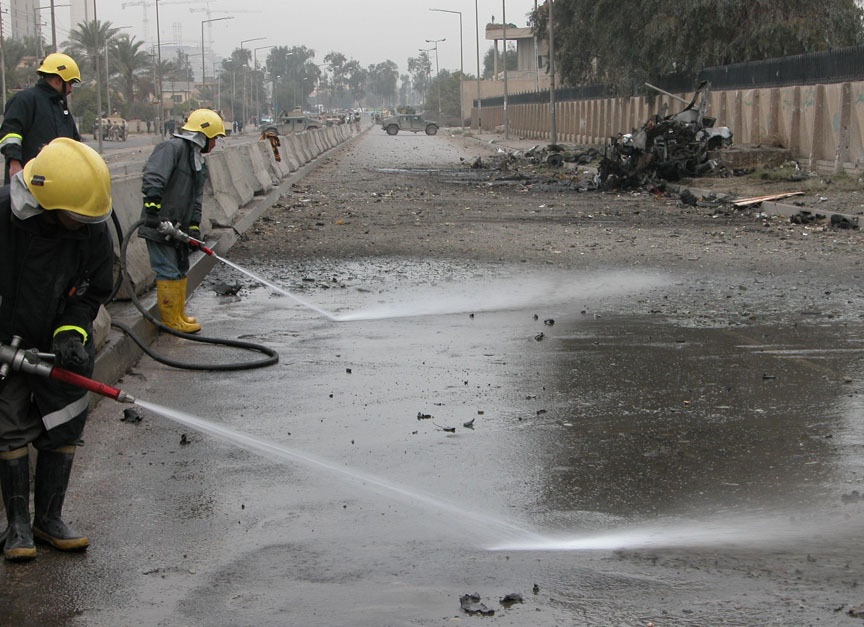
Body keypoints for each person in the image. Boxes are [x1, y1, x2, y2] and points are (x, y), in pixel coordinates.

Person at [0, 138, 113, 562]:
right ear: (45, 201)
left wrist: (71, 333)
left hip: (55, 346)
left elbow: (92, 291)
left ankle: (50, 518)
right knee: (8, 425)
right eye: (74, 217)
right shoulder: (4, 217)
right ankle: (17, 526)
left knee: (66, 416)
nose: (82, 224)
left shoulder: (90, 229)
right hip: (5, 341)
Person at [139, 108, 226, 334]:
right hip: (159, 225)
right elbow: (154, 177)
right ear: (202, 135)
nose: (215, 144)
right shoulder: (172, 149)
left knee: (179, 268)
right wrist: (152, 209)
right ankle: (170, 321)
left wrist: (194, 228)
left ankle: (177, 314)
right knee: (167, 269)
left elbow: (196, 199)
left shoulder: (198, 163)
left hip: (178, 227)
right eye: (214, 138)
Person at [0, 52, 82, 185]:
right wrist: (14, 164)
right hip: (28, 184)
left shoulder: (61, 108)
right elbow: (10, 134)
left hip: (59, 186)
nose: (71, 89)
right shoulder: (25, 100)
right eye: (70, 83)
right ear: (58, 80)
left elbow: (74, 144)